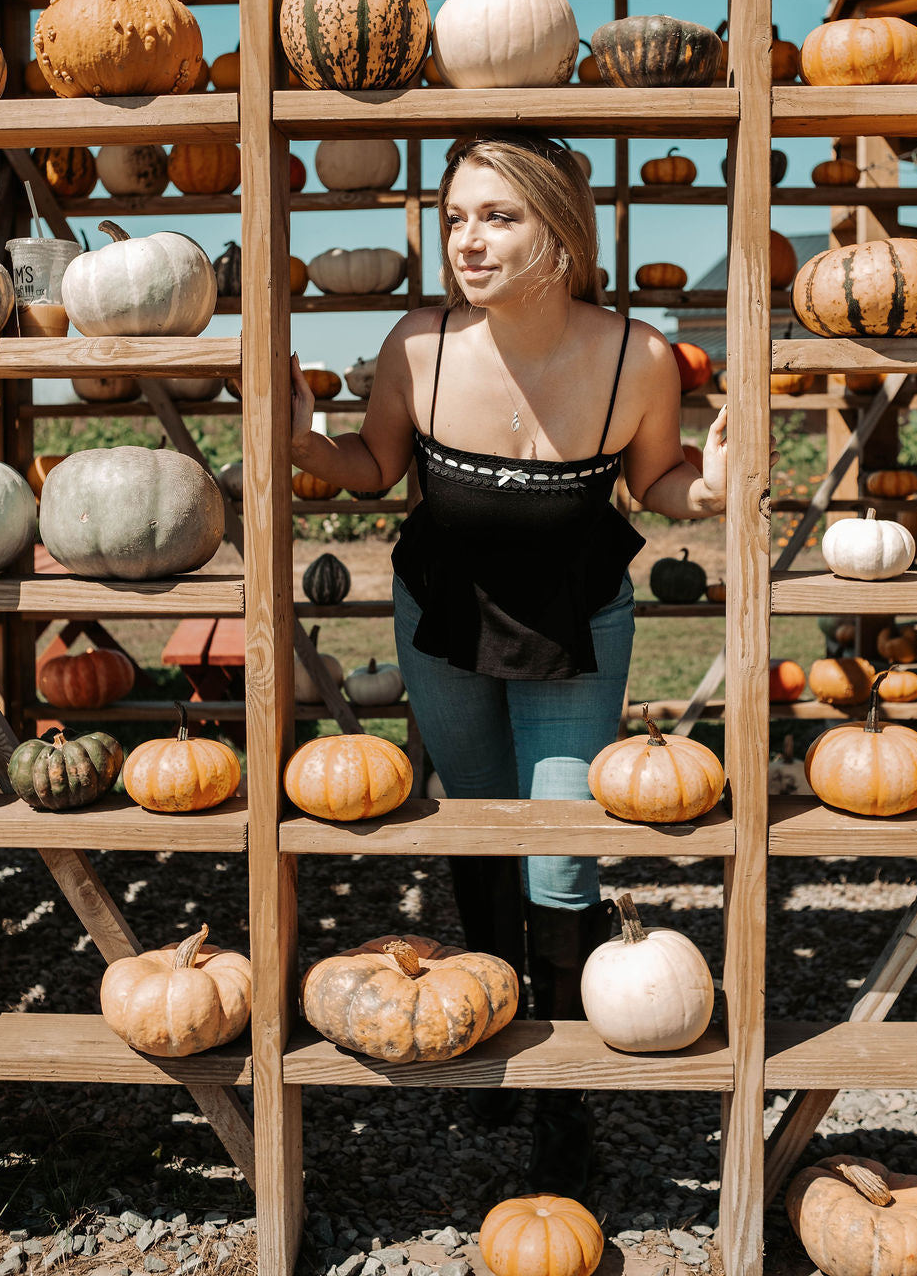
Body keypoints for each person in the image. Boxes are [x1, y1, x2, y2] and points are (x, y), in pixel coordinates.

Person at [291, 131, 728, 1195]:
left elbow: (656, 480)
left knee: (563, 852)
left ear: (561, 231)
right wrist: (301, 440)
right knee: (480, 828)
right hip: (442, 616)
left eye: (498, 216)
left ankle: (562, 1097)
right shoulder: (420, 344)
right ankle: (488, 1036)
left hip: (578, 619)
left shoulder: (637, 355)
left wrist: (707, 489)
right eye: (455, 219)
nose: (467, 241)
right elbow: (371, 468)